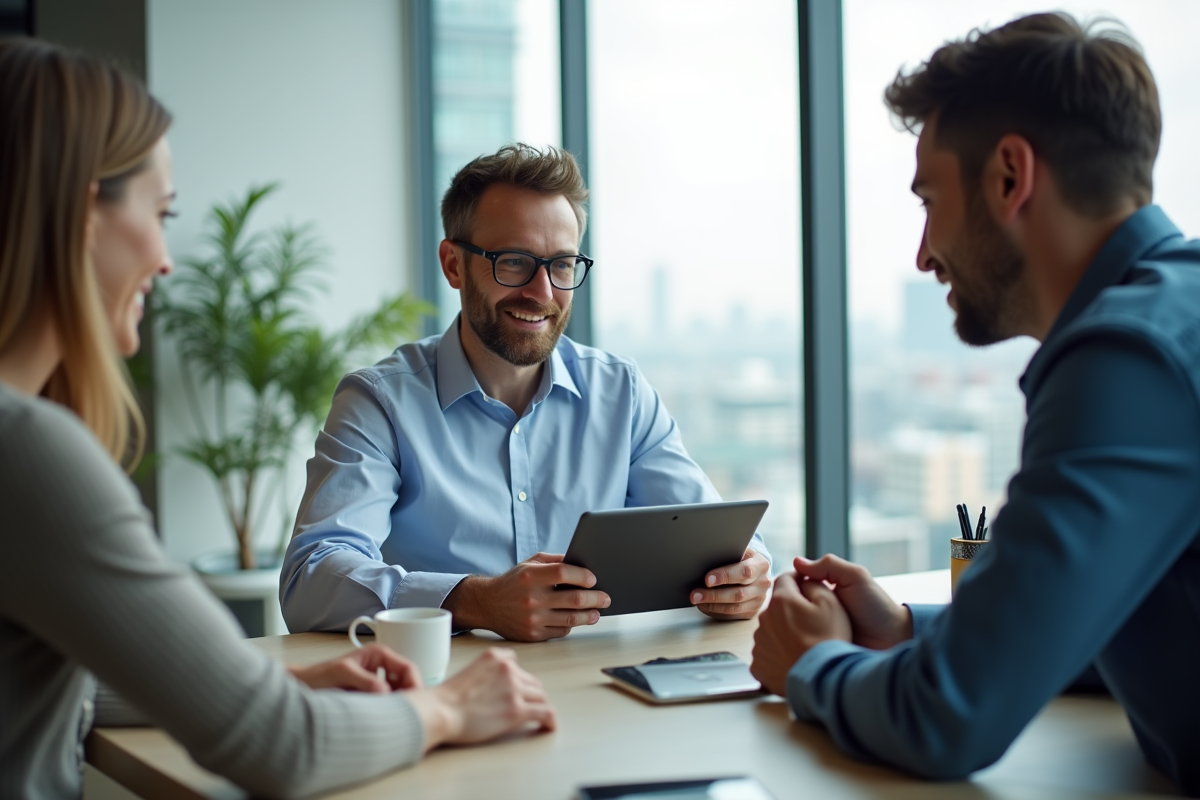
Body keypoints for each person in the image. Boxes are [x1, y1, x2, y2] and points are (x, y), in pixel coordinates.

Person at [0, 38, 556, 800]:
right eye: (161, 214)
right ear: (75, 216)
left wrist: (269, 678)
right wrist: (450, 706)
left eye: (562, 264)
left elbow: (70, 688)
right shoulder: (27, 452)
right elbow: (281, 749)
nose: (166, 259)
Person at [749, 11, 1200, 796]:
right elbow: (1115, 615)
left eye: (929, 200)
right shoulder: (1173, 316)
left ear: (1009, 177)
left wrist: (815, 665)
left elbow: (951, 719)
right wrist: (907, 632)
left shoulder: (1128, 360)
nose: (924, 253)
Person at [280, 144, 773, 642]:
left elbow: (716, 539)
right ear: (453, 265)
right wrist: (476, 601)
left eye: (561, 266)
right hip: (444, 698)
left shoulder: (620, 393)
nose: (541, 293)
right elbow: (310, 578)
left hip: (596, 688)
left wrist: (745, 578)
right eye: (514, 262)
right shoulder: (379, 402)